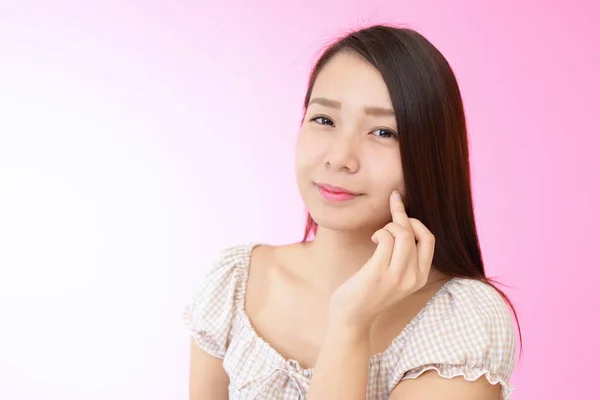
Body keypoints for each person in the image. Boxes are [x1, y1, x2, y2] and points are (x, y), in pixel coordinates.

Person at [183, 24, 519, 400]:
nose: (340, 158)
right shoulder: (234, 282)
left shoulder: (462, 321)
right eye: (324, 120)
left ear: (430, 156)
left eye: (383, 132)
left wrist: (349, 323)